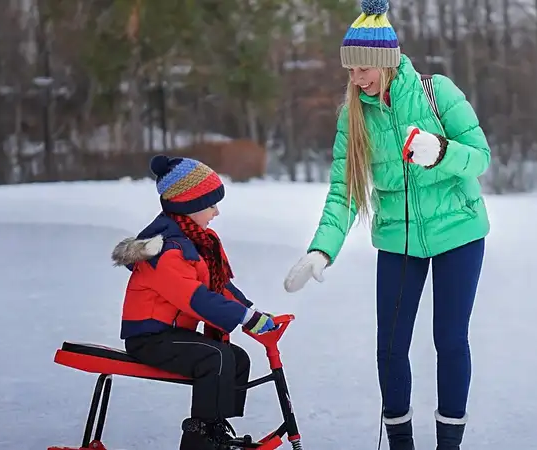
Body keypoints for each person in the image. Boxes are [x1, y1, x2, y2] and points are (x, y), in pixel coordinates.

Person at [282, 1, 491, 449]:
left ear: (386, 62)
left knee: (449, 340)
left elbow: (480, 156)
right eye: (351, 72)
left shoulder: (439, 93)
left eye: (363, 70)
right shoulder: (353, 116)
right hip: (399, 239)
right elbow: (345, 191)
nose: (356, 80)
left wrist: (440, 152)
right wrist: (322, 248)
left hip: (459, 231)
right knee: (390, 346)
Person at [111, 155, 276, 450]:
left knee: (237, 358)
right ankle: (199, 438)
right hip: (150, 338)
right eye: (211, 204)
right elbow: (195, 299)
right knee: (216, 358)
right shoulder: (168, 250)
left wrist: (252, 313)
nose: (216, 212)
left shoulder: (196, 243)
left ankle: (215, 428)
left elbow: (219, 286)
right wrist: (244, 318)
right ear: (189, 205)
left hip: (173, 334)